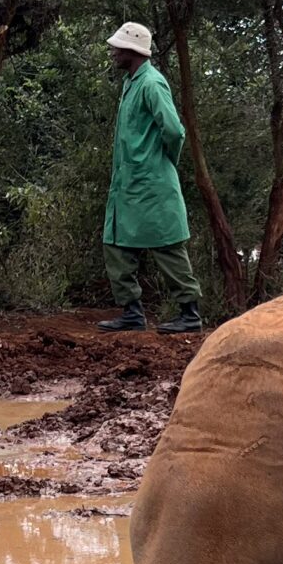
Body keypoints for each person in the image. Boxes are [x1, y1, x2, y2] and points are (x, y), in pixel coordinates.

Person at [99, 20, 203, 333]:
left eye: (117, 47)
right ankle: (132, 312)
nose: (113, 51)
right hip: (128, 184)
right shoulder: (131, 82)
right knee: (116, 243)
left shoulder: (152, 83)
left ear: (133, 50)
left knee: (167, 245)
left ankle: (190, 314)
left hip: (153, 183)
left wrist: (162, 162)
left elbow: (173, 130)